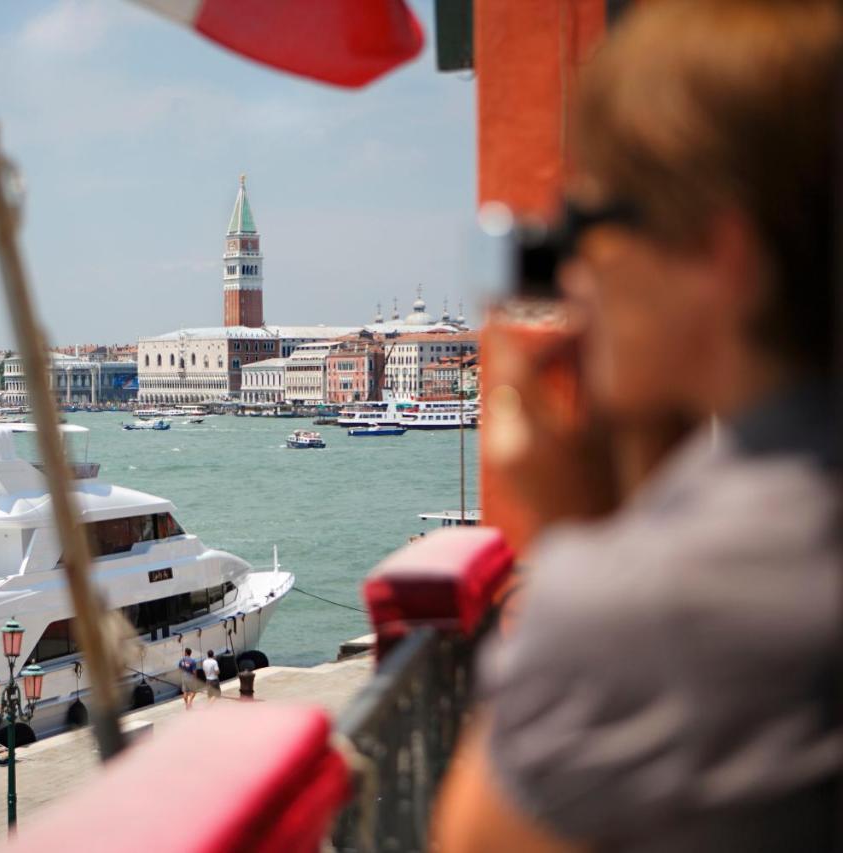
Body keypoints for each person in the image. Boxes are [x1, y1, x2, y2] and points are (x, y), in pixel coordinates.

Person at [434, 1, 841, 851]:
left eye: (591, 227)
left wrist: (585, 544)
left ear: (719, 251)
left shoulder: (640, 610)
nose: (575, 276)